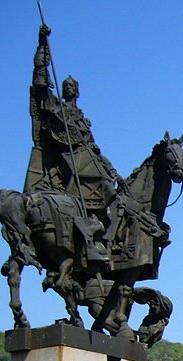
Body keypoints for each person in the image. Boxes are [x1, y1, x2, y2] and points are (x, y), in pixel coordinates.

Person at [24, 24, 123, 260]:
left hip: (89, 163)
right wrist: (42, 47)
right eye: (65, 86)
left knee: (114, 199)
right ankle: (90, 245)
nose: (68, 88)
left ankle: (103, 243)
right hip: (69, 163)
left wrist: (113, 171)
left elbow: (95, 150)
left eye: (72, 87)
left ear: (76, 91)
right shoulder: (55, 108)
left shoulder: (82, 119)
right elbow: (40, 84)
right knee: (96, 198)